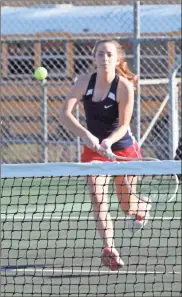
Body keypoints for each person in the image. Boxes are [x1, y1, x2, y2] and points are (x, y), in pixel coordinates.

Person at [60, 39, 151, 271]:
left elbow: (123, 125)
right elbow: (64, 115)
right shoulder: (83, 82)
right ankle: (109, 248)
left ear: (118, 59)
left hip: (122, 151)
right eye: (100, 54)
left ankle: (142, 208)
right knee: (98, 198)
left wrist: (108, 143)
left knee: (126, 206)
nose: (104, 58)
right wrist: (88, 137)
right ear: (94, 58)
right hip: (94, 152)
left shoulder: (124, 87)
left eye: (109, 54)